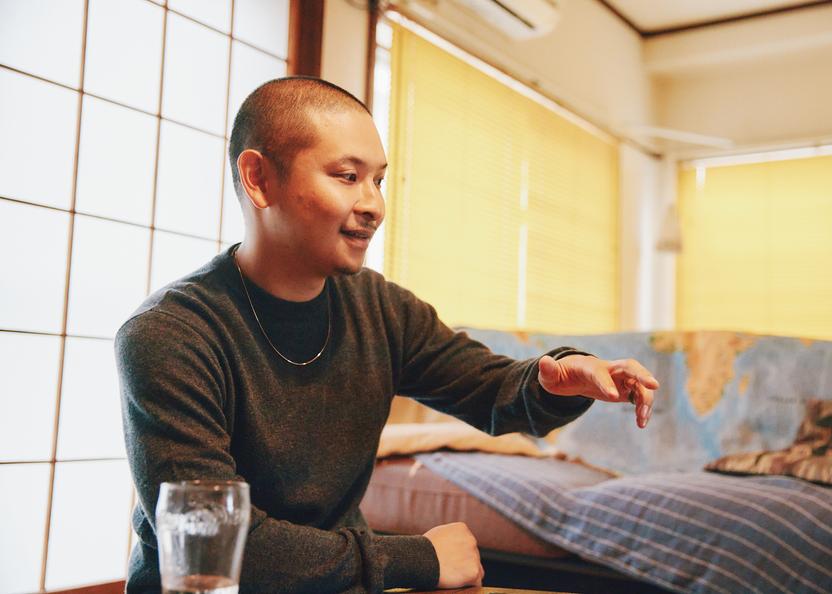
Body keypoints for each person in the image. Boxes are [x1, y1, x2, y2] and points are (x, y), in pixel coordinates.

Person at [116, 76, 659, 594]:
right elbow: (213, 546)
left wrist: (559, 379)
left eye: (378, 180)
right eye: (346, 176)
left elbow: (493, 391)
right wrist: (419, 558)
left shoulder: (380, 308)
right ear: (259, 179)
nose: (374, 205)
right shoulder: (170, 335)